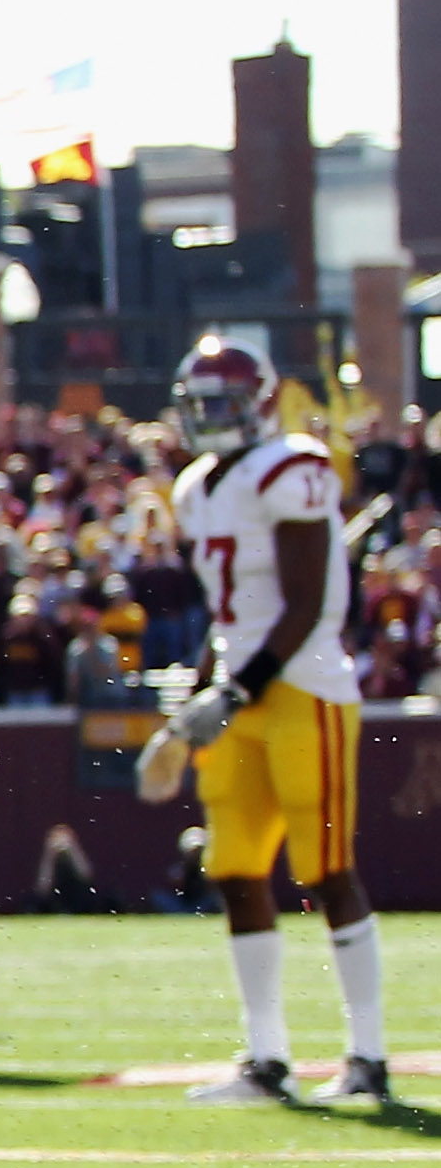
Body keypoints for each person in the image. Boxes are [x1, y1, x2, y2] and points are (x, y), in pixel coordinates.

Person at [157, 340, 391, 1105]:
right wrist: (193, 700)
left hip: (301, 688)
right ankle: (267, 1059)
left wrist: (233, 690)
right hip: (238, 693)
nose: (208, 419)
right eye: (200, 404)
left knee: (326, 870)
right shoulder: (196, 487)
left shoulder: (293, 465)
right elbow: (230, 616)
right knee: (233, 871)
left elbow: (307, 604)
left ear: (257, 404)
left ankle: (367, 1059)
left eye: (222, 403)